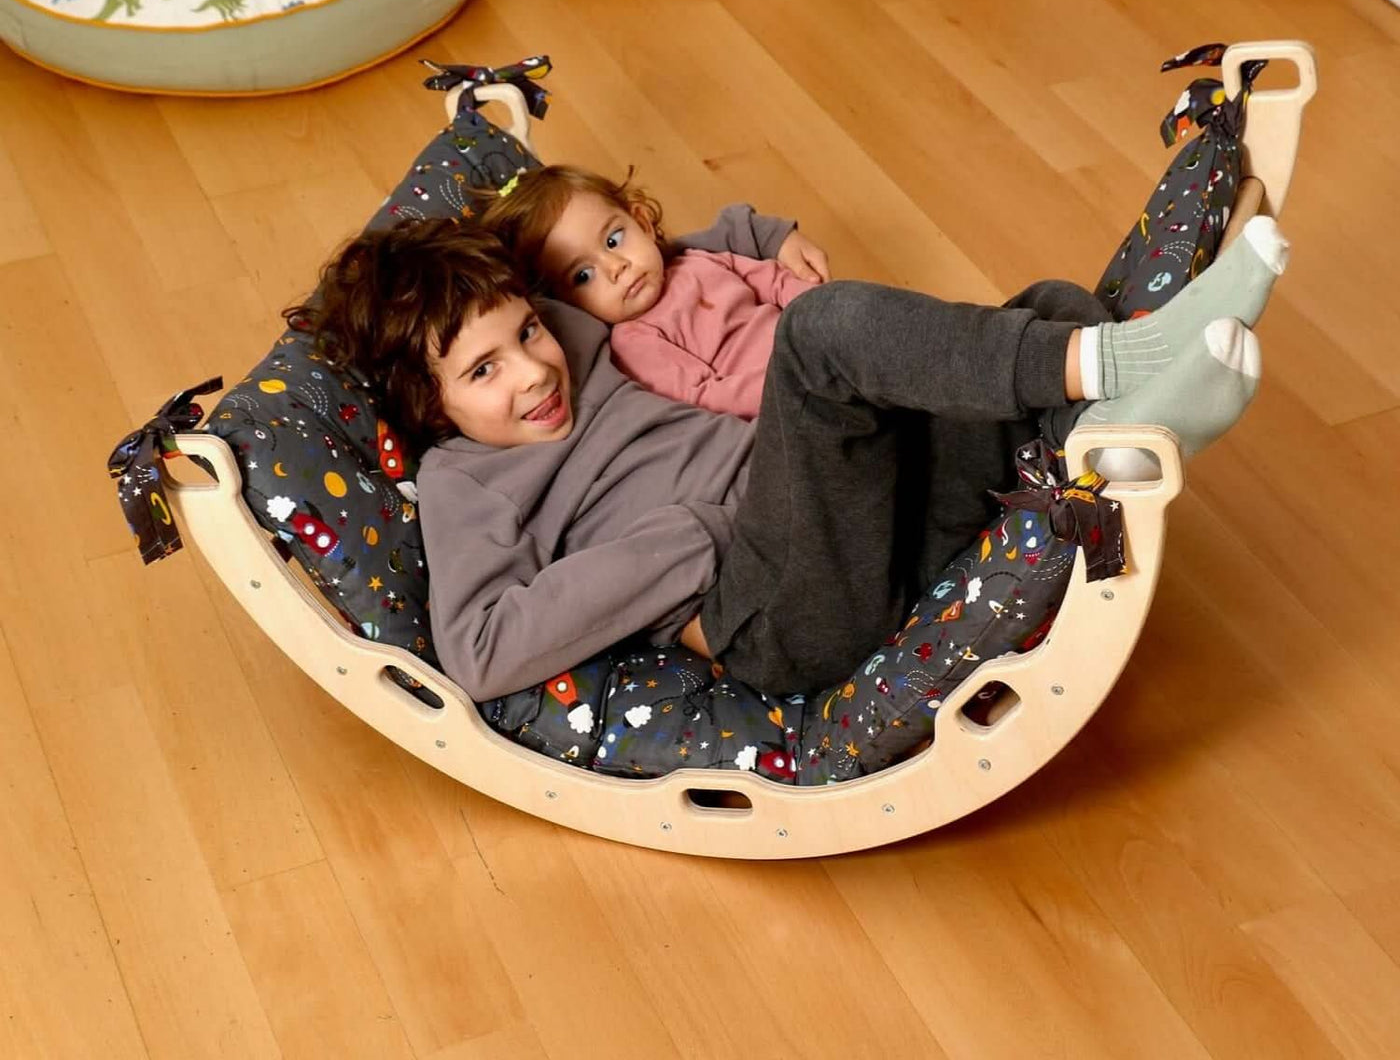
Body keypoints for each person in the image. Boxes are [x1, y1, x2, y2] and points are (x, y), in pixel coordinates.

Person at [294, 207, 1288, 703]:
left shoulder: (567, 323)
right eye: (483, 372)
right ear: (426, 404)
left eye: (527, 331)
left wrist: (766, 237)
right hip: (767, 608)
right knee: (821, 336)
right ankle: (1136, 359)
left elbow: (657, 247)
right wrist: (678, 542)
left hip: (851, 527)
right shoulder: (460, 478)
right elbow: (474, 648)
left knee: (1034, 311)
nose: (532, 370)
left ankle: (1128, 427)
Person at [481, 164, 827, 419]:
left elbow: (772, 280)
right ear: (566, 304)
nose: (616, 266)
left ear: (642, 222)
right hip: (787, 402)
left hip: (815, 349)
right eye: (584, 275)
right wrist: (793, 383)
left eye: (614, 240)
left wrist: (822, 316)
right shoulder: (636, 342)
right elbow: (707, 396)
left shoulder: (695, 260)